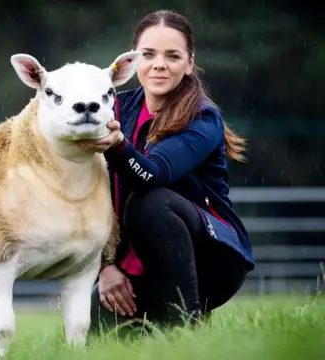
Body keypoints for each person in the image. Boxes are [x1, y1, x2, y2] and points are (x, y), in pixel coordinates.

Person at [76, 9, 255, 334]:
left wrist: (117, 146)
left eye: (172, 56)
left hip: (212, 260)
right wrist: (106, 266)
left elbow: (152, 174)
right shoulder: (113, 107)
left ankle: (187, 324)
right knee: (99, 338)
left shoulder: (204, 118)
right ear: (133, 61)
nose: (159, 64)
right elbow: (86, 190)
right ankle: (158, 316)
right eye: (148, 54)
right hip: (133, 263)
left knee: (151, 201)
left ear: (189, 63)